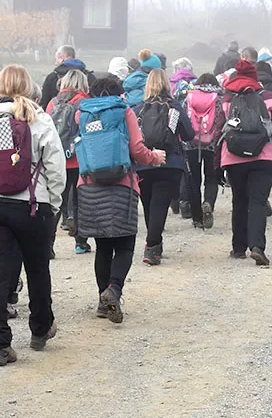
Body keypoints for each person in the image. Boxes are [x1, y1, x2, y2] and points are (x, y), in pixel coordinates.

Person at [0, 65, 66, 366]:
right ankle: (40, 329)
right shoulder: (39, 118)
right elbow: (55, 167)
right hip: (33, 204)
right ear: (28, 87)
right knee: (37, 268)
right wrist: (53, 203)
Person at [74, 75, 164, 322]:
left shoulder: (81, 114)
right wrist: (154, 157)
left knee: (103, 247)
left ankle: (103, 302)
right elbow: (136, 149)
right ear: (119, 93)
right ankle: (113, 290)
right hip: (122, 184)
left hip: (89, 184)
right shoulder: (125, 112)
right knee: (124, 245)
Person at [216, 60, 272, 266]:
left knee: (239, 201)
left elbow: (218, 132)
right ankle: (257, 247)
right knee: (258, 202)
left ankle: (239, 247)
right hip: (264, 157)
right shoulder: (268, 97)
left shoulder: (227, 99)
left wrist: (216, 164)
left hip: (233, 157)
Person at [134, 69, 195, 266]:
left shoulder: (139, 109)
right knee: (160, 205)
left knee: (148, 204)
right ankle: (152, 246)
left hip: (143, 163)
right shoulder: (174, 107)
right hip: (170, 163)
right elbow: (189, 134)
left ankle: (155, 243)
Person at [45, 69, 91, 254]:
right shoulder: (85, 102)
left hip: (57, 160)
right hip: (79, 159)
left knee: (55, 202)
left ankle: (48, 245)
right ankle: (80, 242)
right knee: (80, 202)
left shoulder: (53, 103)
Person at [183, 73, 224, 227]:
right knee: (211, 178)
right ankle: (208, 203)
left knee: (194, 180)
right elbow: (221, 121)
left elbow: (183, 119)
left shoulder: (189, 97)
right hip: (212, 145)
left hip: (191, 144)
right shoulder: (219, 98)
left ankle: (197, 218)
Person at [40, 45, 96, 109]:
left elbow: (44, 103)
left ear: (60, 58)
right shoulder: (89, 76)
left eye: (56, 59)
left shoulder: (52, 78)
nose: (55, 63)